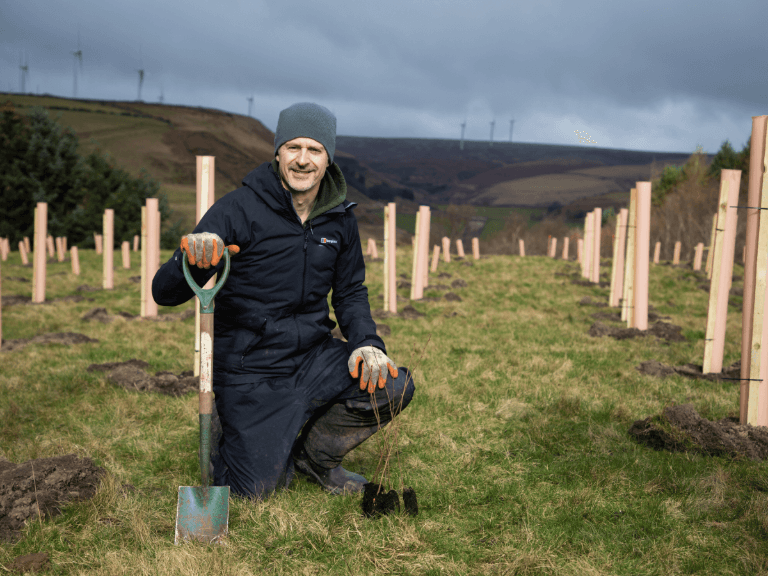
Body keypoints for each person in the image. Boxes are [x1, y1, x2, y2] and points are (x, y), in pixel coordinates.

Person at [152, 102, 415, 499]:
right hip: (249, 368)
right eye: (294, 148)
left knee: (392, 385)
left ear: (328, 159)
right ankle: (234, 431)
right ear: (277, 153)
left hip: (311, 357)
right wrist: (189, 257)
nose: (303, 160)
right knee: (252, 494)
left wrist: (366, 344)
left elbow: (349, 292)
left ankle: (315, 457)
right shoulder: (238, 208)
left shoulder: (340, 217)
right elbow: (164, 292)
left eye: (315, 150)